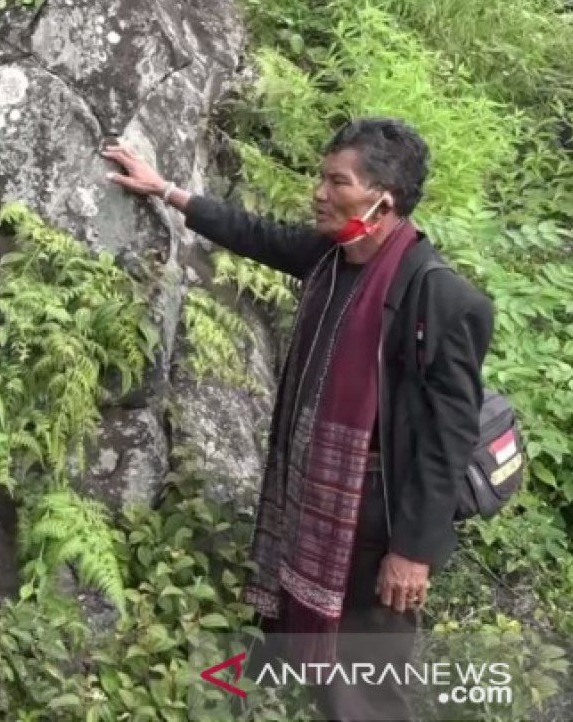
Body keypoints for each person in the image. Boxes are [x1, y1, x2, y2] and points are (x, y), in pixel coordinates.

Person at [104, 118, 493, 721]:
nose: (319, 192)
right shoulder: (331, 256)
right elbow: (255, 234)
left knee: (367, 682)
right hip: (311, 498)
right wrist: (167, 190)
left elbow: (448, 440)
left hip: (378, 515)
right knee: (312, 660)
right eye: (321, 176)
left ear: (382, 200)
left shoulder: (440, 298)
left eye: (338, 181)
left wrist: (413, 551)